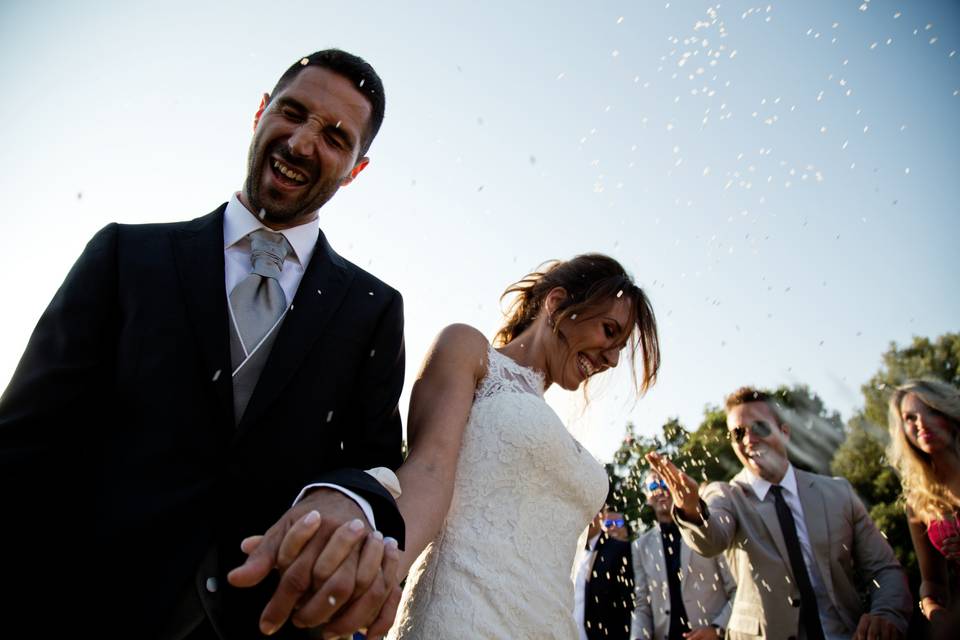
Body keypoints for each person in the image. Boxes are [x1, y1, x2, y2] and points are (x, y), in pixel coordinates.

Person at [0, 49, 404, 639]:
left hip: (259, 623)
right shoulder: (125, 257)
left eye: (336, 138)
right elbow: (27, 444)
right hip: (84, 606)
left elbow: (372, 466)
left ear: (356, 169)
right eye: (292, 113)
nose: (300, 143)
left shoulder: (373, 309)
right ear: (260, 112)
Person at [388, 254, 661, 639]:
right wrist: (376, 574)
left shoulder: (550, 423)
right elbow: (428, 470)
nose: (613, 359)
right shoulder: (470, 351)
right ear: (556, 303)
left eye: (620, 346)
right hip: (463, 621)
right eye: (608, 330)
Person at [647, 386, 912, 640]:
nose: (749, 439)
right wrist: (691, 510)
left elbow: (884, 569)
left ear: (784, 432)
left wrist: (885, 613)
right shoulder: (726, 495)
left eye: (760, 427)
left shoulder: (837, 493)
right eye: (738, 433)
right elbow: (711, 538)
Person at [886, 379, 960, 628]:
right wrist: (934, 612)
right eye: (910, 418)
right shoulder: (918, 501)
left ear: (949, 413)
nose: (921, 424)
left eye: (930, 410)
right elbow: (934, 583)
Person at [632, 471, 736, 640]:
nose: (660, 491)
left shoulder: (706, 530)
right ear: (647, 497)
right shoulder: (640, 546)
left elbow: (736, 588)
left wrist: (717, 629)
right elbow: (643, 604)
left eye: (666, 485)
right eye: (653, 487)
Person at [574, 505, 636, 640]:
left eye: (591, 512)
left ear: (601, 515)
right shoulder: (570, 552)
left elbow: (630, 601)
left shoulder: (620, 549)